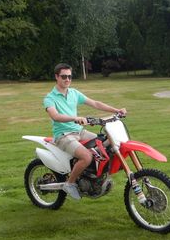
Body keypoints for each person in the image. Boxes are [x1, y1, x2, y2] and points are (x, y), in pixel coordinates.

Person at [43, 63, 126, 200]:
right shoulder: (50, 98)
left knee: (109, 142)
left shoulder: (74, 93)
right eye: (64, 76)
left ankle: (93, 176)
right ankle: (70, 184)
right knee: (86, 156)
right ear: (56, 77)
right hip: (63, 135)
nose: (67, 79)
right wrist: (74, 118)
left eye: (69, 76)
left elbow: (95, 103)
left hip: (79, 132)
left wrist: (116, 110)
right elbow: (55, 116)